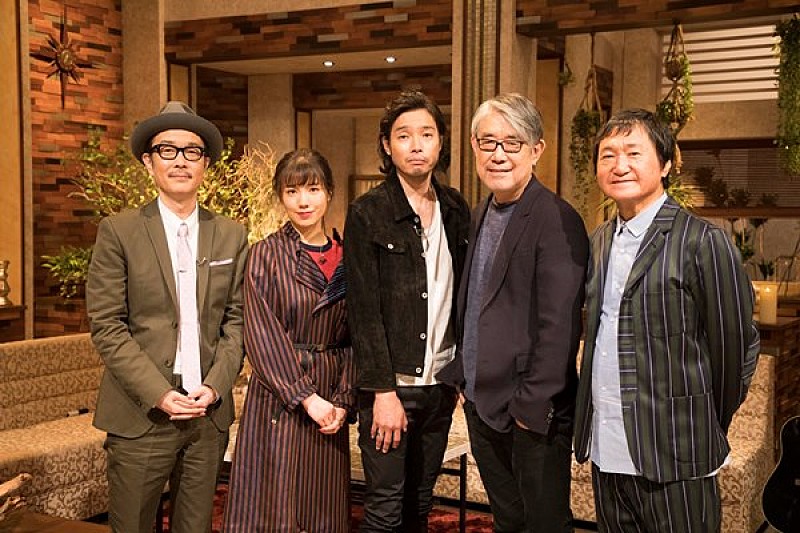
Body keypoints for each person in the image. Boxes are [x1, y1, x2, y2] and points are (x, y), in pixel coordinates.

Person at [573, 108, 760, 532]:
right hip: (606, 448)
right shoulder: (599, 240)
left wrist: (702, 421)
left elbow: (737, 346)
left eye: (633, 153)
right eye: (607, 155)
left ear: (665, 164)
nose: (619, 165)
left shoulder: (702, 240)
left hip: (677, 452)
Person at [86, 101, 248, 533]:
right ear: (148, 161)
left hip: (207, 414)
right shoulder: (119, 231)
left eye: (192, 151)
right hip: (141, 414)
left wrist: (215, 386)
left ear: (205, 163)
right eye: (167, 150)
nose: (180, 161)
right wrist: (158, 392)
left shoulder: (231, 234)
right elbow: (107, 325)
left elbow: (237, 321)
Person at [438, 93, 589, 533]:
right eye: (488, 142)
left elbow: (559, 326)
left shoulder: (556, 218)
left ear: (536, 149)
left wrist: (530, 405)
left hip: (531, 411)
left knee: (543, 525)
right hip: (482, 403)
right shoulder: (480, 213)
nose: (499, 154)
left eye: (513, 142)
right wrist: (464, 377)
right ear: (473, 146)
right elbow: (475, 302)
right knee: (507, 521)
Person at [344, 90, 471, 532]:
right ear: (387, 145)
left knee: (420, 504)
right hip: (391, 387)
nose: (416, 145)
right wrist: (382, 393)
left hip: (440, 385)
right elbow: (363, 311)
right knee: (384, 509)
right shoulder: (368, 212)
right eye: (403, 136)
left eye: (426, 134)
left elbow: (464, 296)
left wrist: (460, 375)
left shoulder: (455, 208)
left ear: (440, 142)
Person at [223, 148, 354, 532]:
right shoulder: (265, 254)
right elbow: (261, 334)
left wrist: (343, 400)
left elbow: (358, 336)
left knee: (323, 510)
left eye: (312, 189)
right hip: (280, 398)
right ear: (280, 196)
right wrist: (306, 397)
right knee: (272, 510)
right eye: (292, 191)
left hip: (330, 399)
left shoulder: (348, 256)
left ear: (329, 192)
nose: (303, 201)